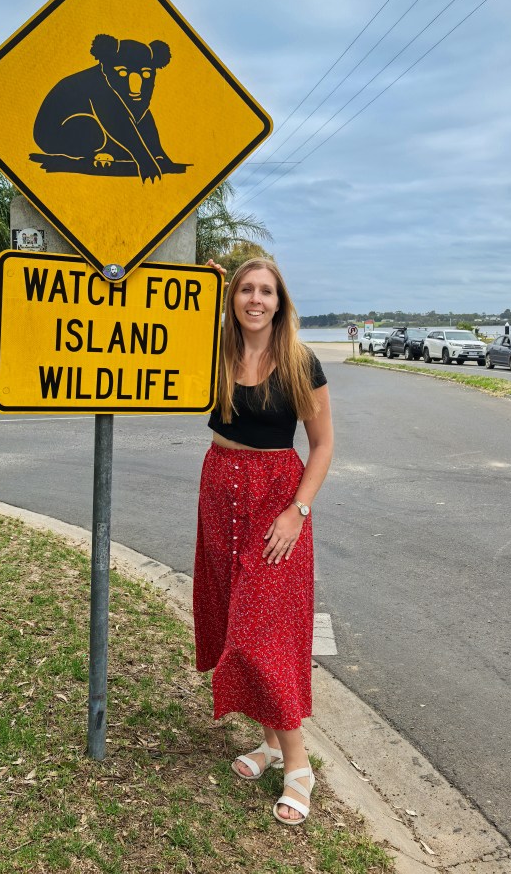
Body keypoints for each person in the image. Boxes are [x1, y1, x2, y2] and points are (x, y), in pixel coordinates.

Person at [193, 258, 334, 826]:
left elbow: (322, 445)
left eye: (265, 291)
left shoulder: (300, 362)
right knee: (233, 615)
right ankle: (271, 745)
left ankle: (298, 765)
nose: (255, 299)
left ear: (280, 301)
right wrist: (198, 288)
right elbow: (168, 330)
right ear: (233, 298)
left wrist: (297, 512)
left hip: (277, 498)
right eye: (245, 290)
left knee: (264, 630)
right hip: (220, 490)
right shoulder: (218, 354)